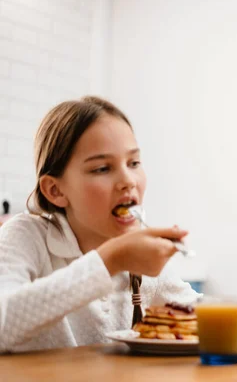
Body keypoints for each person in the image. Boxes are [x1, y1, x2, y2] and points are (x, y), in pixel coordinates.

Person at [0, 97, 198, 353]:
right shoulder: (26, 236)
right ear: (55, 190)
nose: (128, 180)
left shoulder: (140, 253)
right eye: (103, 168)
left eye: (134, 163)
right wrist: (111, 260)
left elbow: (201, 316)